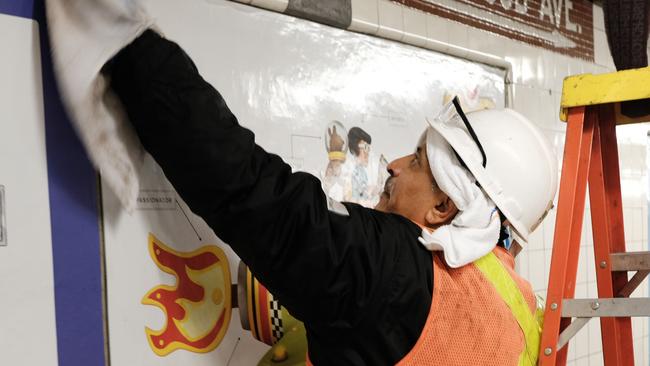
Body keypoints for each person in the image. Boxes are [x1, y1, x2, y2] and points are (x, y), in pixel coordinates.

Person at [106, 29, 557, 365]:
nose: (394, 163)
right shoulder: (520, 319)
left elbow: (250, 189)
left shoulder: (395, 271)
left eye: (418, 161)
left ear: (444, 208)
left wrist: (127, 42)